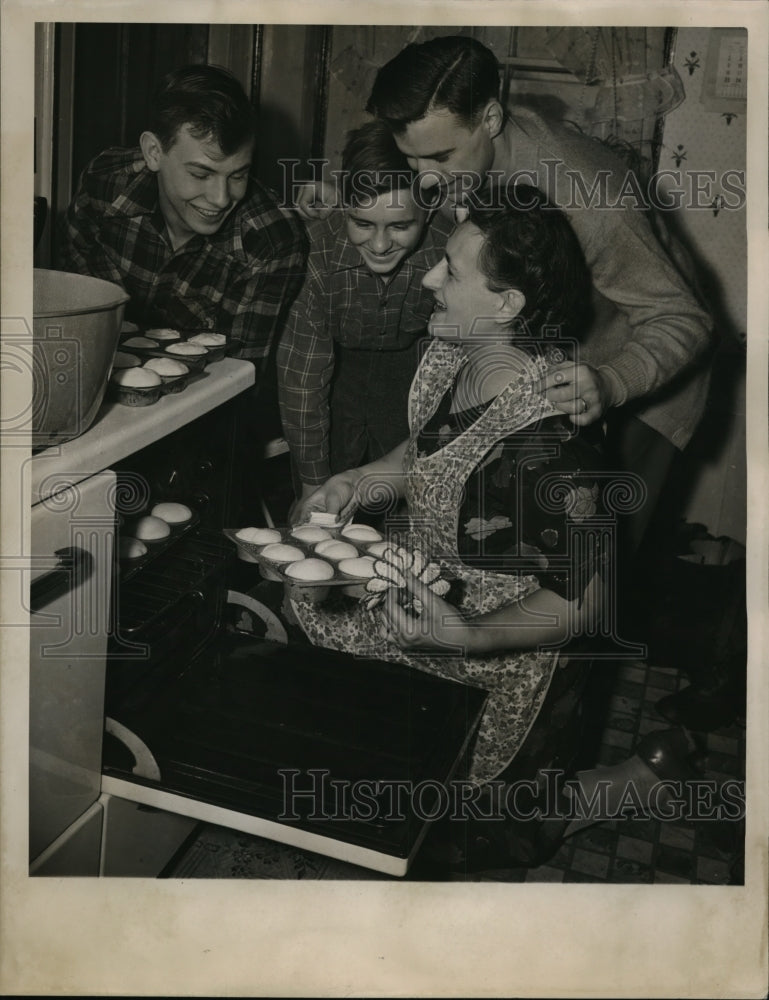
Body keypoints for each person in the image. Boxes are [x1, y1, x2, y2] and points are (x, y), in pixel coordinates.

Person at [289, 191, 611, 867]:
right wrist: (359, 481)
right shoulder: (455, 355)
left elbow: (587, 599)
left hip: (507, 646)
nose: (430, 277)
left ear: (506, 306)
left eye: (451, 272)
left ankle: (632, 782)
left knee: (477, 833)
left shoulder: (549, 443)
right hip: (432, 593)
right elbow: (424, 453)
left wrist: (466, 635)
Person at [301, 35, 715, 554]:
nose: (425, 178)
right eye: (413, 159)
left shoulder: (587, 201)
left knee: (582, 567)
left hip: (642, 378)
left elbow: (684, 318)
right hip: (542, 359)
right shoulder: (461, 162)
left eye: (439, 157)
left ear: (491, 119)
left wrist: (611, 381)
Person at [59, 64, 307, 368]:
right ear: (153, 152)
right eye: (201, 173)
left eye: (238, 175)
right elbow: (72, 312)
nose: (221, 198)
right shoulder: (103, 183)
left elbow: (233, 381)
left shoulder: (271, 240)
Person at [277, 121, 452, 512]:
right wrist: (310, 483)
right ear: (343, 204)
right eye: (362, 223)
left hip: (415, 372)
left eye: (400, 226)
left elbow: (454, 379)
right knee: (322, 500)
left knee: (413, 503)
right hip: (335, 374)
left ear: (428, 211)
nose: (379, 244)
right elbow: (302, 379)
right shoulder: (316, 253)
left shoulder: (449, 250)